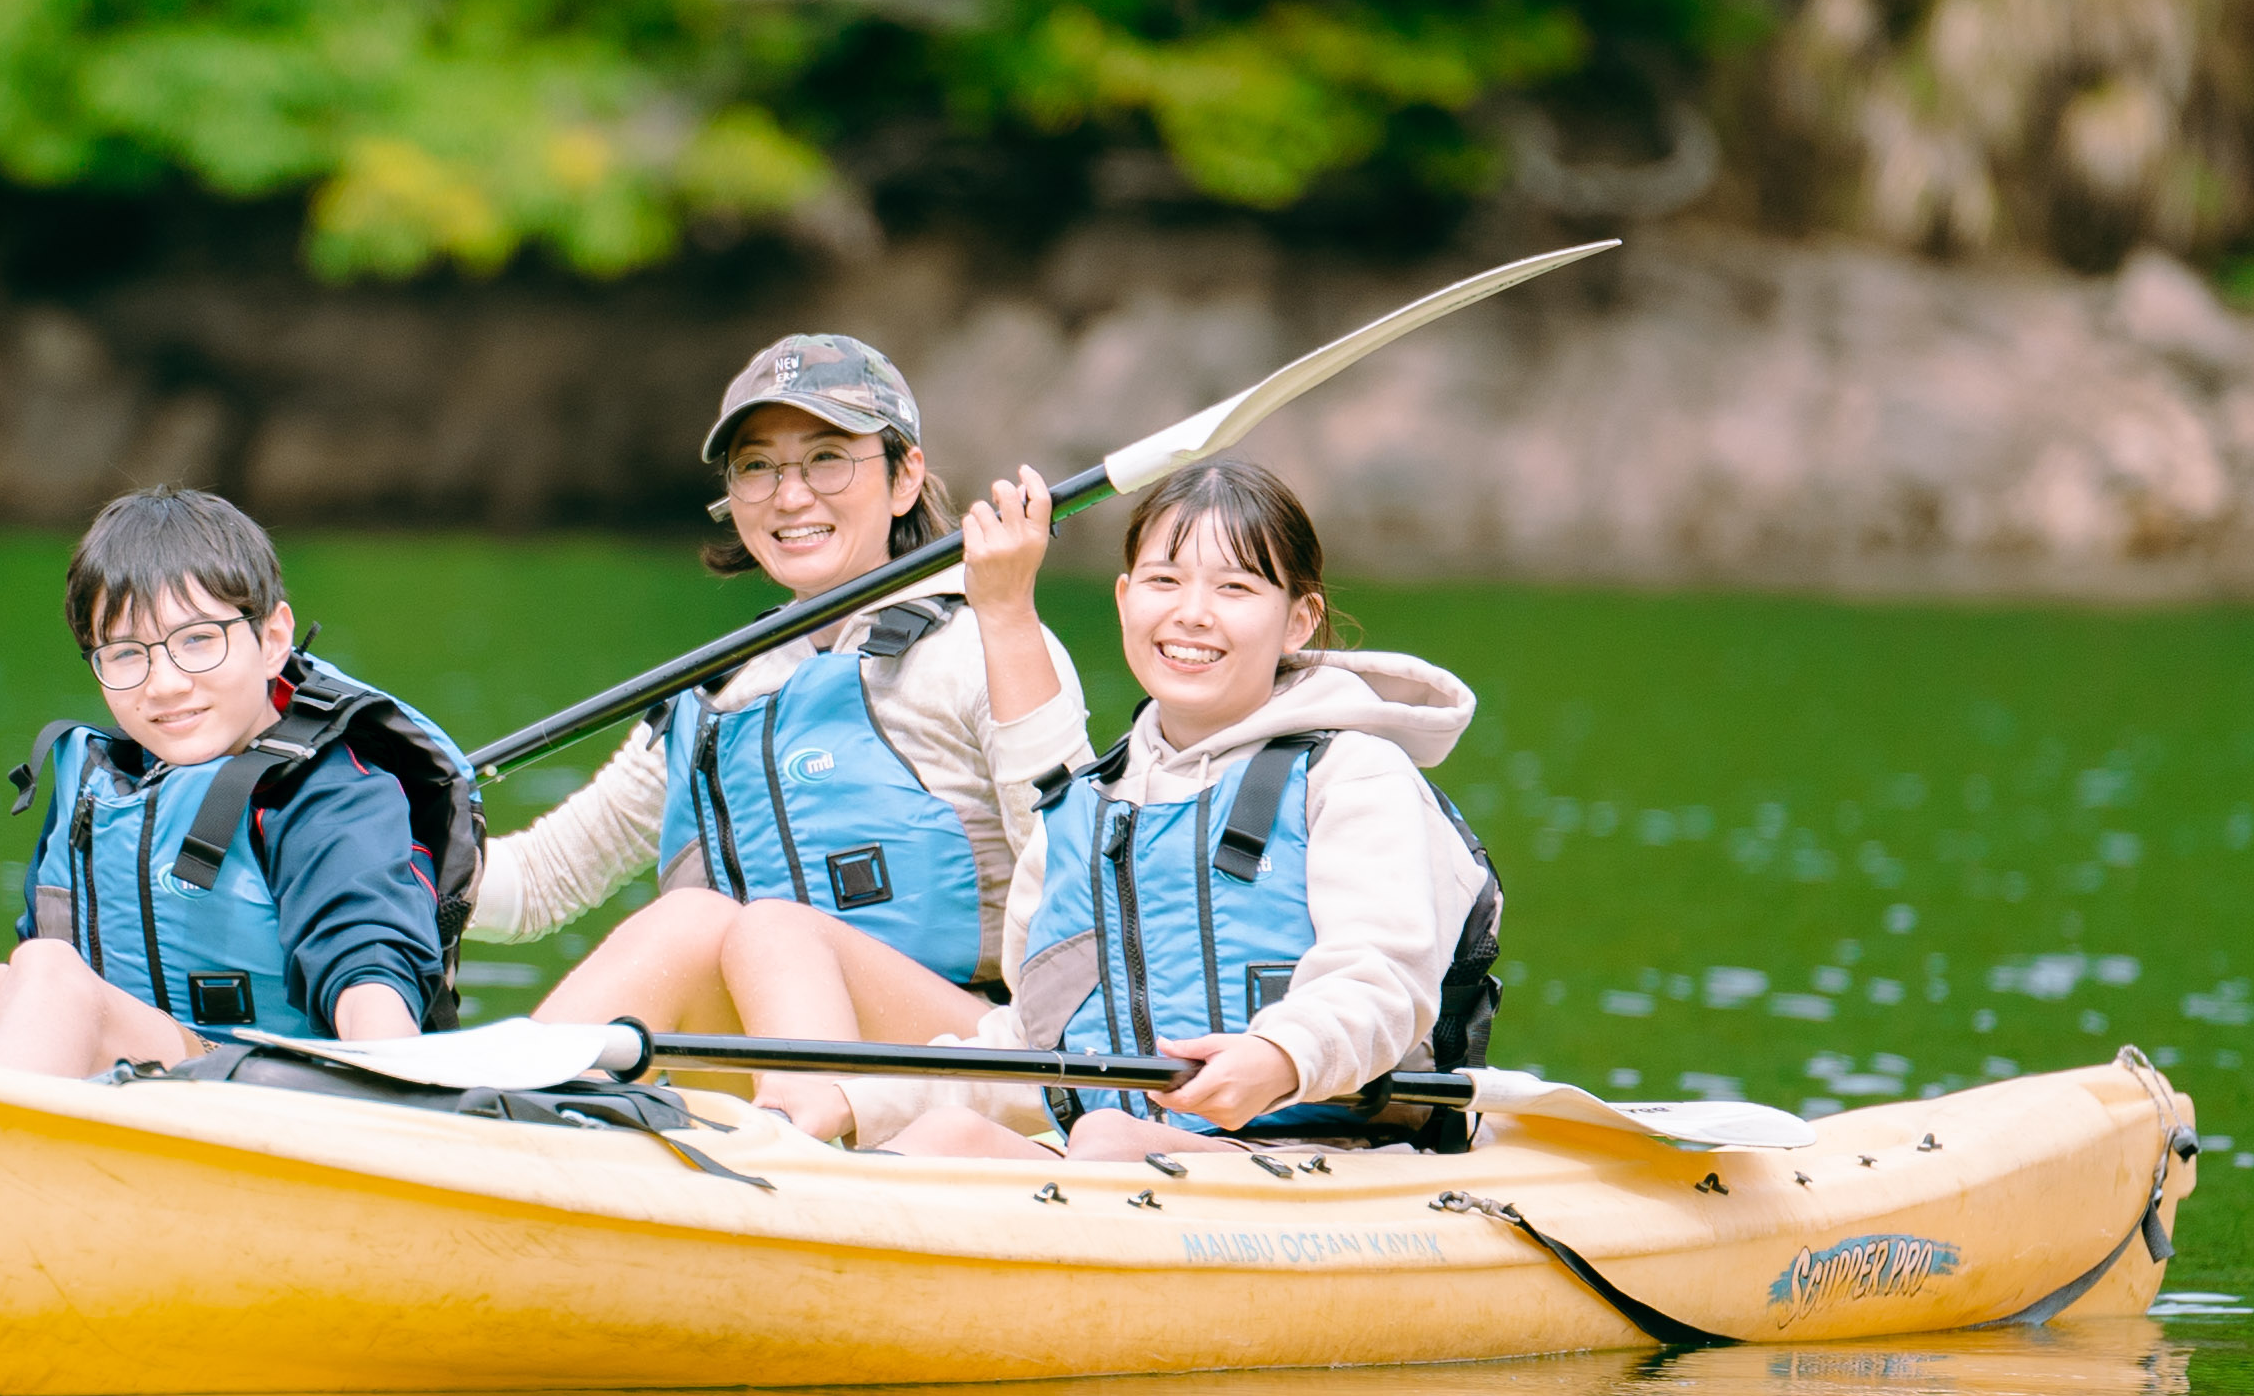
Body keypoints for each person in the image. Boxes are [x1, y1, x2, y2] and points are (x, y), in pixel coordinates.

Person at [763, 456, 1501, 1160]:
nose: (1192, 615)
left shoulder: (1354, 773)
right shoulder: (1086, 811)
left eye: (1236, 589)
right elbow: (1031, 1041)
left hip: (1332, 1155)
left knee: (1108, 1139)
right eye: (1164, 580)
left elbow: (1382, 981)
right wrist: (854, 1100)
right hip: (1129, 1161)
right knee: (946, 1140)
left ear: (1299, 620)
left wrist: (1279, 1056)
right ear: (1125, 599)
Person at [471, 334, 1091, 1043]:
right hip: (779, 1069)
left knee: (753, 927)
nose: (790, 497)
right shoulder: (723, 692)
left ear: (904, 476)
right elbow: (538, 882)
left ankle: (505, 1099)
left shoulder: (988, 643)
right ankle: (493, 1109)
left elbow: (1079, 876)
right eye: (757, 468)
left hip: (970, 1061)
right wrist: (374, 844)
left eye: (827, 459)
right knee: (696, 923)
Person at [0, 487, 473, 1077]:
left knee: (49, 973)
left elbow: (371, 987)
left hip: (272, 1111)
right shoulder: (106, 790)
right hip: (114, 1087)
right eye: (126, 653)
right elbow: (32, 984)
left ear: (272, 639)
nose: (165, 684)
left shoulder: (330, 796)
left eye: (198, 641)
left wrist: (398, 1111)